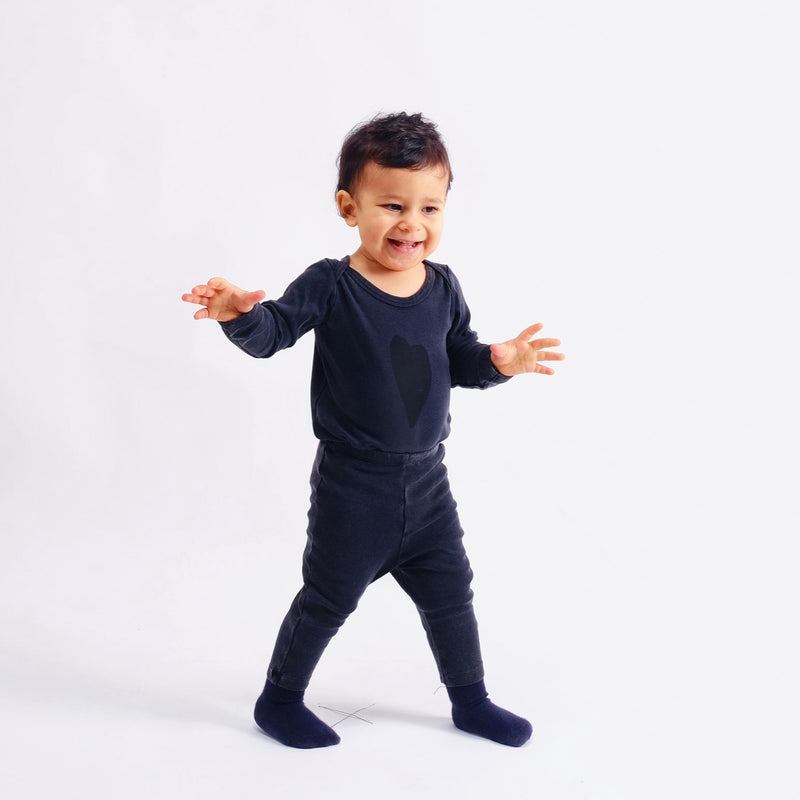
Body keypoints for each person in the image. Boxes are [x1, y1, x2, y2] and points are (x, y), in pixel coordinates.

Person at [181, 112, 564, 749]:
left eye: (429, 208)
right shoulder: (332, 284)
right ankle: (279, 701)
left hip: (429, 484)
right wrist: (238, 317)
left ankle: (471, 701)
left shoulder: (443, 286)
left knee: (451, 594)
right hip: (354, 488)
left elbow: (460, 360)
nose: (412, 224)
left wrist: (498, 362)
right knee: (328, 598)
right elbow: (272, 333)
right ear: (348, 208)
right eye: (392, 206)